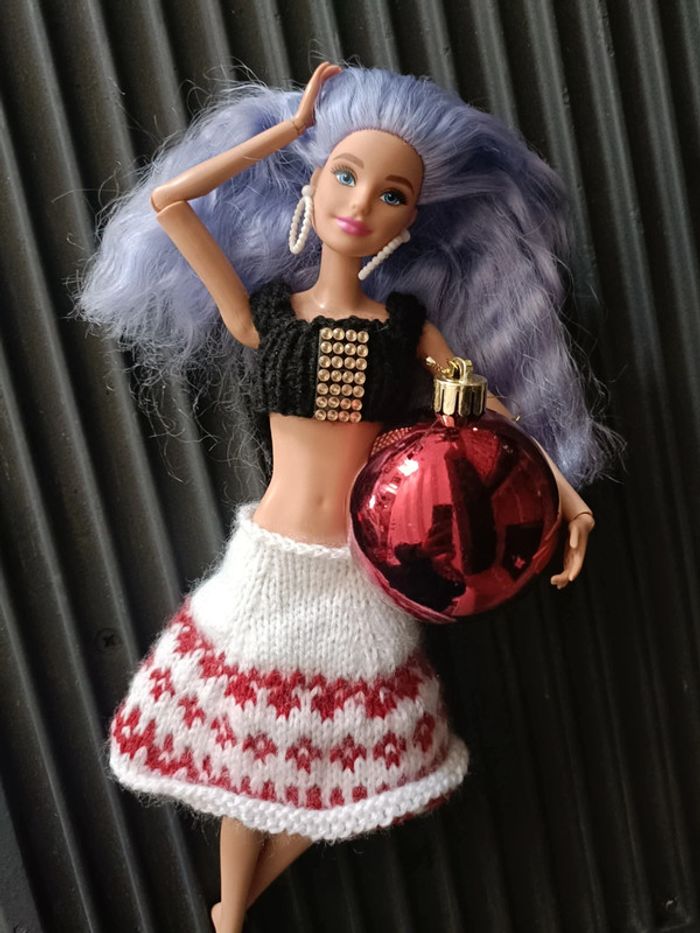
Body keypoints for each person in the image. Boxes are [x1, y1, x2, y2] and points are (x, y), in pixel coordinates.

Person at [76, 62, 618, 933]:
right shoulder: (269, 315)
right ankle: (229, 913)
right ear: (314, 183)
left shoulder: (407, 329)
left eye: (392, 193)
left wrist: (566, 497)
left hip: (366, 570)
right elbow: (170, 204)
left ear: (412, 218)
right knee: (243, 761)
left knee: (376, 772)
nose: (362, 203)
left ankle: (230, 908)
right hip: (265, 565)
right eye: (344, 174)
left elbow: (495, 411)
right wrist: (289, 134)